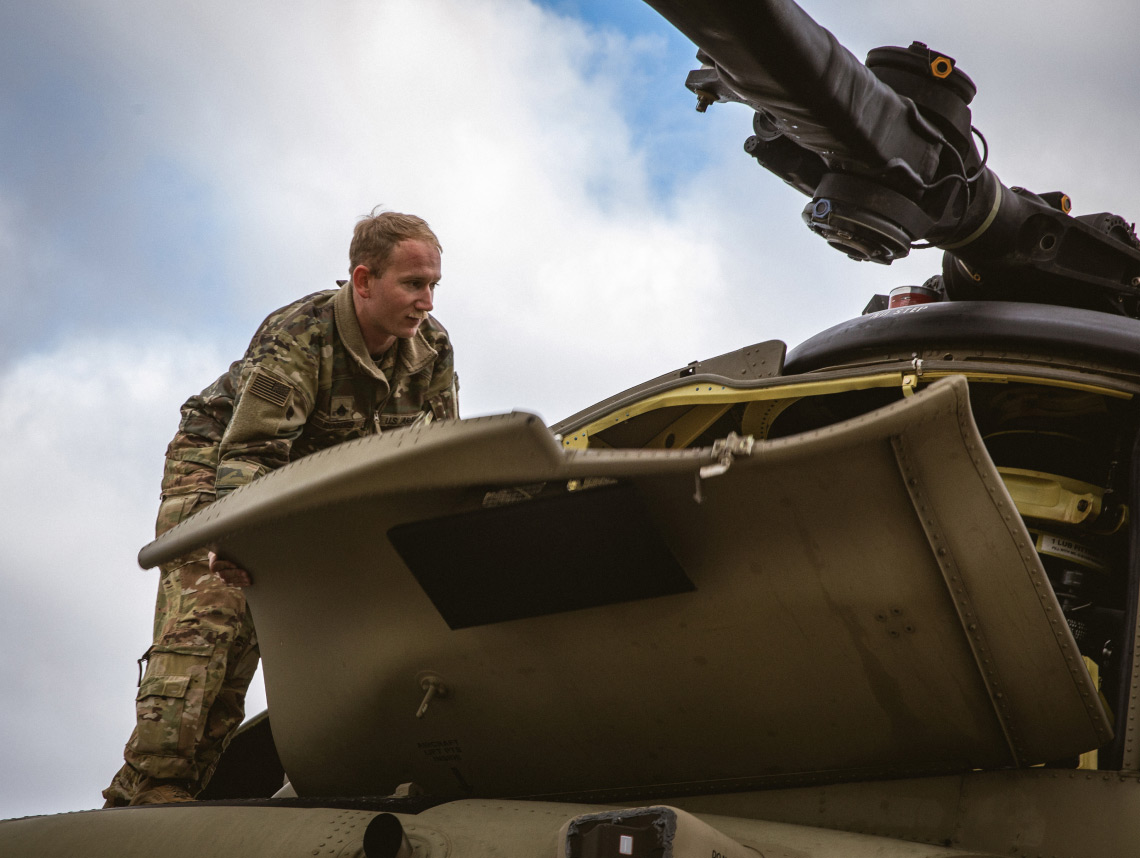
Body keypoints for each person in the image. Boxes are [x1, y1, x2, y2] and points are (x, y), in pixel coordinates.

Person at [102, 210, 459, 807]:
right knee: (215, 613)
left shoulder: (432, 349)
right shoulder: (301, 334)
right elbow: (249, 452)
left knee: (275, 636)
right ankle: (151, 788)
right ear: (364, 280)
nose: (426, 301)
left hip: (313, 487)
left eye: (433, 286)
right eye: (413, 284)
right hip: (217, 467)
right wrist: (235, 540)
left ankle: (172, 788)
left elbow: (437, 456)